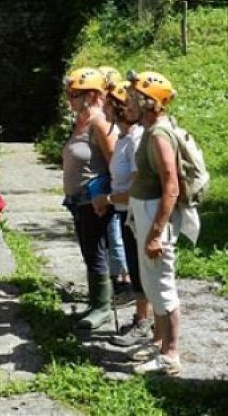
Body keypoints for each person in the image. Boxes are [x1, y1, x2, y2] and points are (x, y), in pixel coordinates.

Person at [124, 71, 185, 375]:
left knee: (162, 285)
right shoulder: (149, 130)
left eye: (133, 98)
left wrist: (156, 233)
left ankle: (171, 354)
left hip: (155, 218)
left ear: (150, 103)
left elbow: (171, 187)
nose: (127, 102)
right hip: (146, 214)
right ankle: (160, 342)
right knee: (150, 282)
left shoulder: (159, 135)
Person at [91, 77, 152, 347]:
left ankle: (145, 322)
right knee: (137, 269)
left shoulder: (137, 140)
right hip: (125, 213)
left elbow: (140, 186)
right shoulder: (126, 138)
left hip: (138, 213)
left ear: (120, 110)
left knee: (142, 271)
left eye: (108, 107)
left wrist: (108, 198)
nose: (103, 112)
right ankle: (142, 318)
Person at [62, 67, 116, 330]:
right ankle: (95, 303)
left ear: (92, 95)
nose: (68, 99)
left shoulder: (99, 123)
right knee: (88, 250)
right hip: (77, 200)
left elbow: (115, 162)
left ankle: (103, 307)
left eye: (74, 94)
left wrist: (106, 196)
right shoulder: (80, 120)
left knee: (96, 251)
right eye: (68, 93)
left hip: (93, 201)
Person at [98, 66, 130, 293]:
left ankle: (123, 278)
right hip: (116, 195)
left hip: (123, 198)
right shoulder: (119, 134)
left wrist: (108, 196)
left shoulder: (129, 136)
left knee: (117, 235)